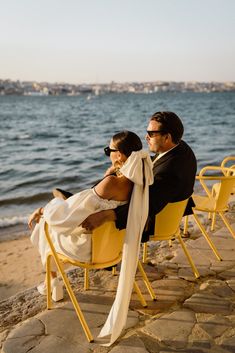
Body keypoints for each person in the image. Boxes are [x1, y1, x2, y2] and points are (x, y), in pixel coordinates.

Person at [28, 130, 145, 300]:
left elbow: (66, 215)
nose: (108, 154)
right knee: (53, 225)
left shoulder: (111, 183)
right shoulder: (141, 181)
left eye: (108, 151)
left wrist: (41, 211)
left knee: (46, 225)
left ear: (119, 155)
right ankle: (51, 281)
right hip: (113, 248)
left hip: (90, 250)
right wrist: (108, 175)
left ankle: (52, 281)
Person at [81, 111, 197, 240]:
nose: (146, 137)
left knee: (105, 205)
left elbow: (145, 207)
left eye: (151, 134)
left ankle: (82, 206)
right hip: (169, 211)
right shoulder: (180, 148)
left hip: (157, 222)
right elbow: (158, 165)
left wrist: (105, 215)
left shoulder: (169, 172)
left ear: (167, 137)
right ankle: (84, 201)